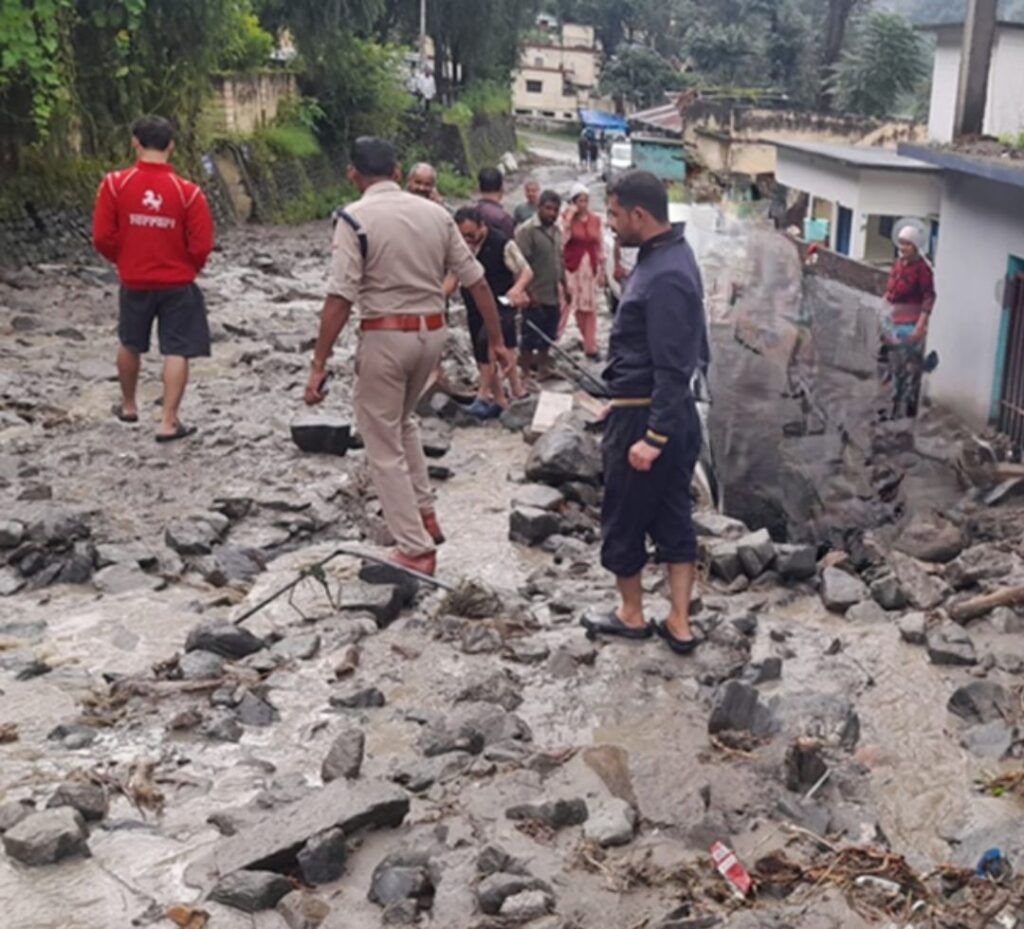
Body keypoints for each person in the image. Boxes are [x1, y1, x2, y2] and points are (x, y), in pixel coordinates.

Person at [304, 137, 513, 577]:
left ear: (353, 175)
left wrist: (318, 364)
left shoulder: (353, 218)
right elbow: (475, 282)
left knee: (381, 442)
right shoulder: (438, 215)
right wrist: (497, 342)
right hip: (432, 335)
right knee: (404, 423)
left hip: (385, 336)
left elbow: (340, 296)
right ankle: (426, 514)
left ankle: (415, 547)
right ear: (398, 173)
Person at [581, 170, 707, 655]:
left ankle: (636, 615)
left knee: (627, 517)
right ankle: (678, 621)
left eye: (613, 214)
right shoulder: (663, 258)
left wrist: (652, 437)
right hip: (650, 409)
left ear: (638, 214)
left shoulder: (668, 272)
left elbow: (675, 363)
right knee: (672, 513)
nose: (610, 223)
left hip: (650, 417)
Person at [92, 115, 214, 443]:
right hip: (177, 283)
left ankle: (129, 405)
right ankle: (168, 421)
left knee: (130, 342)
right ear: (171, 146)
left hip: (134, 280)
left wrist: (124, 258)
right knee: (177, 349)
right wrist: (187, 266)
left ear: (135, 142)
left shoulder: (115, 184)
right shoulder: (188, 192)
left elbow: (102, 236)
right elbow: (201, 244)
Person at [451, 206, 533, 416]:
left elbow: (525, 271)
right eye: (463, 236)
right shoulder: (461, 246)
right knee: (487, 350)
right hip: (473, 305)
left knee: (487, 342)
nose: (468, 239)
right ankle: (507, 396)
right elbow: (452, 277)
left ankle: (483, 394)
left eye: (471, 234)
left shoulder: (502, 244)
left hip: (500, 303)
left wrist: (517, 289)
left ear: (482, 225)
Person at [880, 224, 936, 419]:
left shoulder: (922, 270)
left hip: (910, 324)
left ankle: (907, 409)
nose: (903, 248)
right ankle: (892, 407)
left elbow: (928, 297)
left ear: (916, 247)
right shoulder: (898, 264)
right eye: (901, 243)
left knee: (908, 367)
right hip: (893, 321)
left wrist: (921, 324)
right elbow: (891, 291)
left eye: (908, 245)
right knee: (891, 365)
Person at [517, 189, 568, 385]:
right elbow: (520, 264)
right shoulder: (527, 231)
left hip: (553, 292)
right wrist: (527, 292)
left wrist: (566, 286)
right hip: (535, 293)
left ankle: (544, 368)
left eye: (555, 210)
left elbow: (559, 261)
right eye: (548, 209)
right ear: (539, 207)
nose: (552, 213)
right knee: (530, 334)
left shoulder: (556, 230)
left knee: (549, 332)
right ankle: (525, 373)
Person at [559, 182, 605, 359]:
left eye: (586, 200)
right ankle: (584, 338)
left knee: (590, 306)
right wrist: (569, 221)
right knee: (575, 304)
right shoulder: (566, 219)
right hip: (573, 267)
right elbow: (562, 242)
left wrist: (602, 270)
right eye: (579, 200)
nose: (583, 204)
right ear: (573, 202)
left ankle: (590, 344)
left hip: (590, 267)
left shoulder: (595, 220)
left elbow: (599, 243)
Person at [476, 167, 516, 240]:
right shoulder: (504, 219)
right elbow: (509, 247)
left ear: (479, 188)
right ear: (501, 189)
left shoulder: (470, 213)